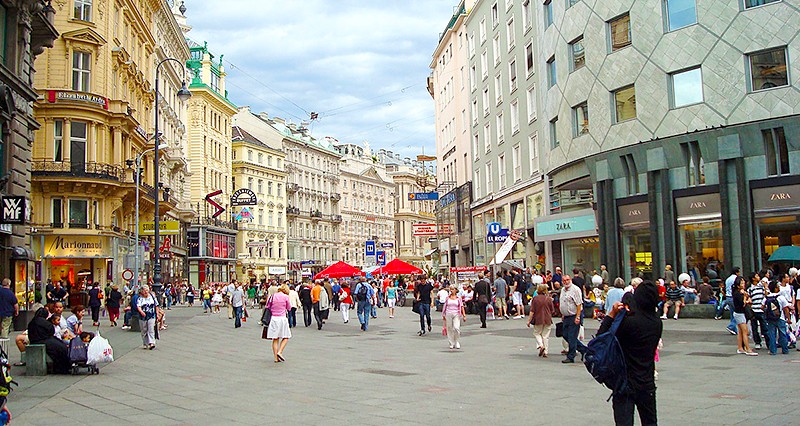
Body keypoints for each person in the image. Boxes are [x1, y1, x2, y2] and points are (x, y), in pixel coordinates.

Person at [601, 281, 663, 426]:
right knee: (650, 422)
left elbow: (602, 338)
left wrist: (612, 314)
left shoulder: (628, 322)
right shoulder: (657, 323)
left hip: (625, 383)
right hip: (646, 382)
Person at [27, 307, 70, 374]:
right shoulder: (44, 322)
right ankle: (62, 367)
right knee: (61, 347)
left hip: (35, 340)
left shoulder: (32, 322)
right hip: (44, 340)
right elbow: (51, 331)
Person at [559, 275, 583, 364]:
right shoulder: (562, 290)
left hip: (573, 315)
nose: (566, 282)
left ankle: (571, 356)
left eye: (567, 280)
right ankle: (584, 350)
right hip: (566, 316)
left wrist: (578, 316)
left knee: (572, 336)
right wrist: (563, 314)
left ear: (571, 280)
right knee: (565, 335)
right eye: (564, 280)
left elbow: (579, 304)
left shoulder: (575, 290)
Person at [527, 283, 555, 358]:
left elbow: (532, 311)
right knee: (545, 336)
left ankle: (541, 345)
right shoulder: (548, 299)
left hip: (538, 319)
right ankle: (545, 351)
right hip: (548, 319)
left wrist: (529, 321)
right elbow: (552, 310)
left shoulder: (535, 299)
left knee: (537, 333)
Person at [266, 284, 292, 362]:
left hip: (274, 318)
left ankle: (275, 358)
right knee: (286, 336)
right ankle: (280, 351)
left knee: (275, 338)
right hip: (282, 318)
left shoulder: (273, 296)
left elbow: (268, 306)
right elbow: (289, 308)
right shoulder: (286, 297)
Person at [764, 281, 791, 355]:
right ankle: (785, 350)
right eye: (778, 286)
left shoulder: (767, 298)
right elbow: (786, 309)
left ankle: (773, 350)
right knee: (782, 333)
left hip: (770, 319)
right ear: (775, 289)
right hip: (780, 318)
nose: (779, 288)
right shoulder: (781, 297)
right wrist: (788, 318)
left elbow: (762, 306)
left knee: (772, 334)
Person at [442, 285, 466, 349]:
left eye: (452, 289)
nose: (451, 290)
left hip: (456, 314)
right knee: (449, 328)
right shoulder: (447, 298)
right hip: (448, 313)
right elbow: (445, 306)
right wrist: (443, 314)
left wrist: (464, 315)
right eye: (450, 289)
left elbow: (461, 306)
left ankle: (456, 341)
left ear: (456, 290)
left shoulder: (459, 298)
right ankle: (451, 342)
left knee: (456, 328)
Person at [747, 274, 767, 350]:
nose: (759, 277)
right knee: (754, 327)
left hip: (762, 310)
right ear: (753, 279)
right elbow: (749, 298)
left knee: (765, 327)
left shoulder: (761, 287)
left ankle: (768, 342)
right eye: (757, 276)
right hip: (754, 310)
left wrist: (765, 286)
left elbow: (766, 295)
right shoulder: (750, 289)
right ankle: (757, 342)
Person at [136, 285, 158, 350]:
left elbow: (156, 305)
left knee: (151, 329)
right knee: (144, 330)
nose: (146, 292)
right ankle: (145, 343)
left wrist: (157, 313)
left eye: (147, 290)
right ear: (142, 291)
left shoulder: (152, 297)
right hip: (143, 316)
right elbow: (138, 306)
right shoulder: (140, 298)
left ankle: (152, 343)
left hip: (151, 315)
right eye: (144, 290)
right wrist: (141, 312)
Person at [721, 267, 741, 335]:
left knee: (732, 314)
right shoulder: (736, 279)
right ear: (736, 272)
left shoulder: (728, 279)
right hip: (733, 297)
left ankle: (734, 329)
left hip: (728, 297)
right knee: (738, 313)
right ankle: (731, 326)